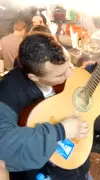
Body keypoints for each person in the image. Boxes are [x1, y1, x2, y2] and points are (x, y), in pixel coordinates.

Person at [0, 32, 90, 180]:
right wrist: (61, 131)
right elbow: (5, 147)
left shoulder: (59, 72)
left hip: (78, 168)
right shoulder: (7, 95)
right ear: (34, 77)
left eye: (69, 66)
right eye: (60, 75)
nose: (69, 75)